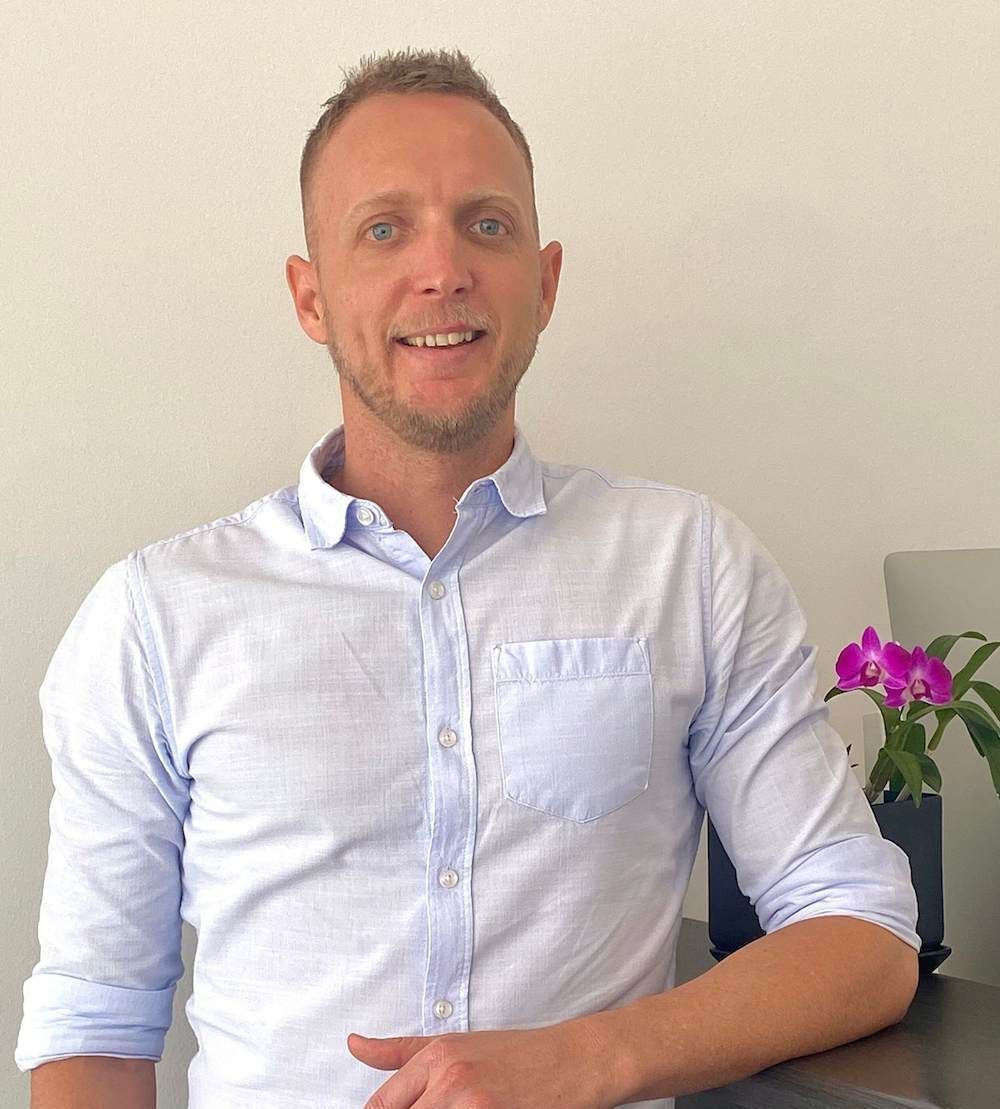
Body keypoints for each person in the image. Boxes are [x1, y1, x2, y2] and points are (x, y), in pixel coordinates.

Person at [17, 47, 920, 1109]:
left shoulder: (690, 567)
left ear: (544, 282)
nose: (441, 269)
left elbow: (860, 933)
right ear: (310, 296)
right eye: (383, 228)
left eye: (485, 224)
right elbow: (96, 1022)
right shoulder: (153, 617)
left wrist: (588, 1056)